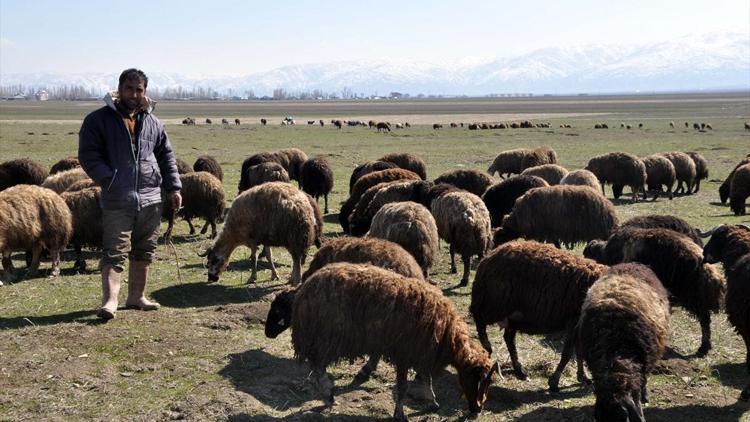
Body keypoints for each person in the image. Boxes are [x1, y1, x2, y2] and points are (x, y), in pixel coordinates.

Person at [78, 68, 182, 320]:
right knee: (114, 249)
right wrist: (110, 179)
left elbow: (166, 156)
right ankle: (110, 301)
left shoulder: (153, 123)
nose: (134, 94)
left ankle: (136, 297)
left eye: (139, 90)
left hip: (150, 197)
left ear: (145, 92)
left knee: (145, 249)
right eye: (129, 88)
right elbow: (88, 155)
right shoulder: (98, 120)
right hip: (118, 197)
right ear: (119, 89)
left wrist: (174, 187)